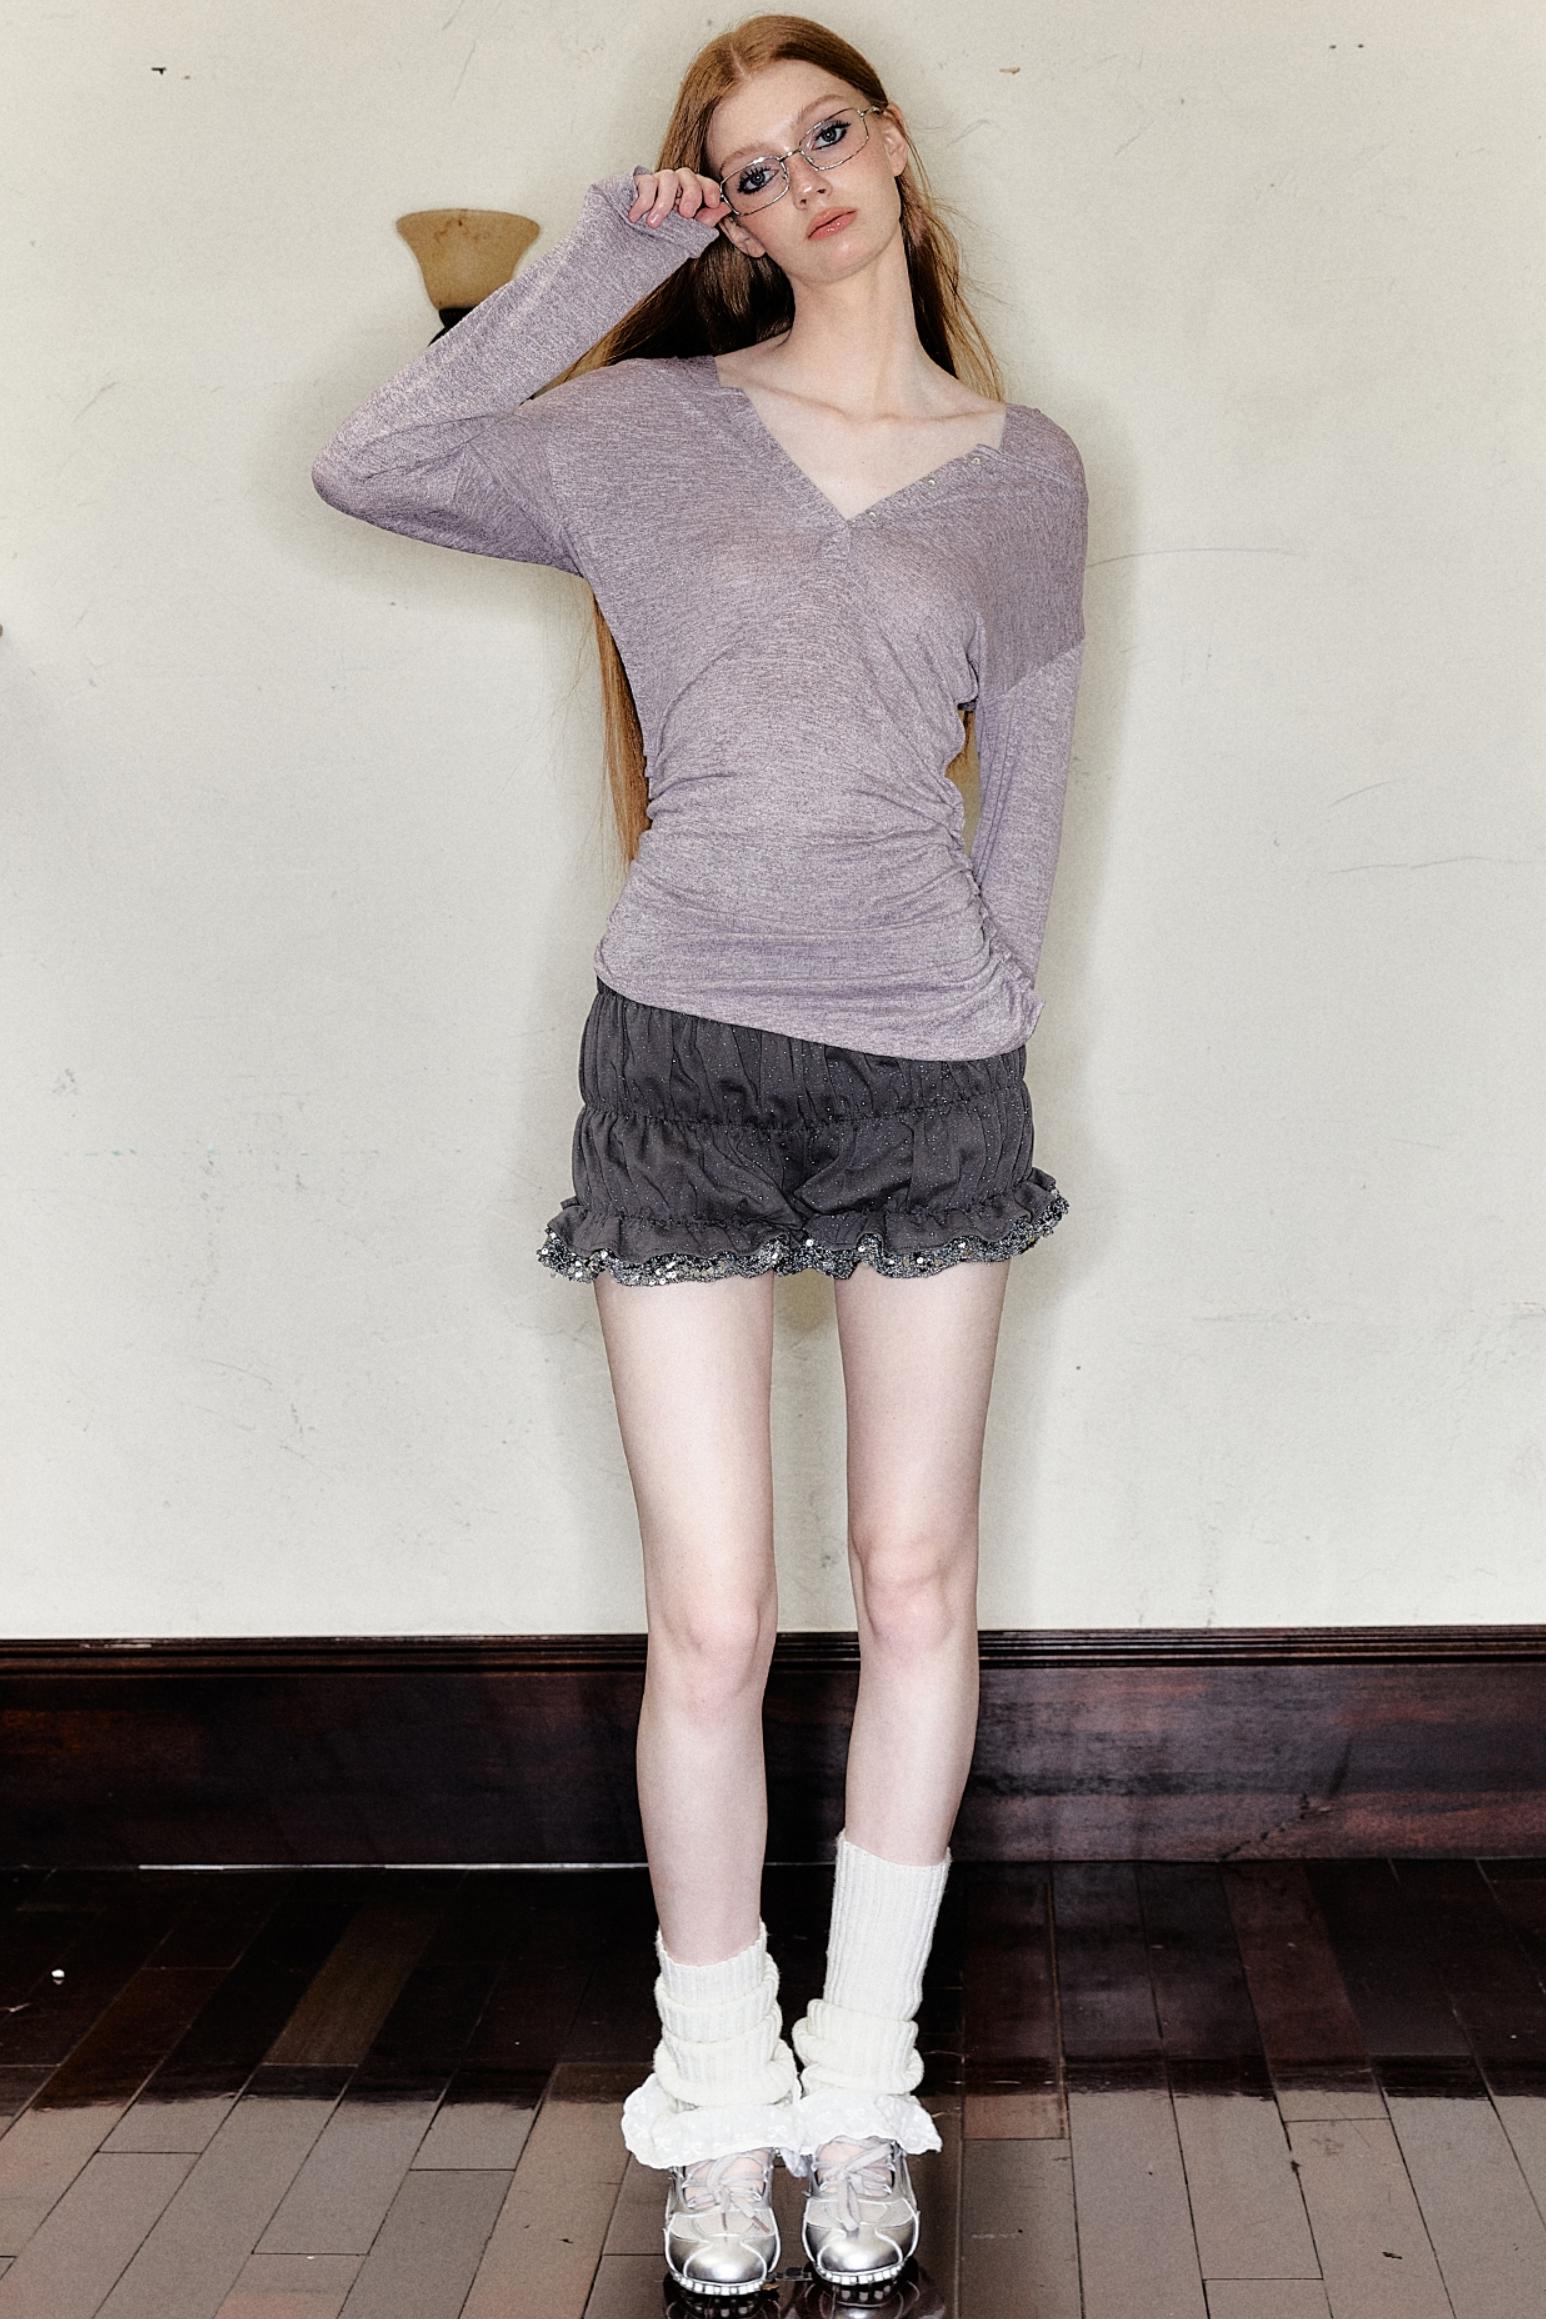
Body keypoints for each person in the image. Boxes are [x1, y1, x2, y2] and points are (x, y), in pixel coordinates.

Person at [310, 11, 1087, 2296]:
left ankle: (859, 2091)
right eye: (748, 167)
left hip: (926, 1068)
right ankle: (721, 2103)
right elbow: (377, 459)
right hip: (681, 1052)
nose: (802, 179)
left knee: (915, 1574)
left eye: (824, 132)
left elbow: (1030, 785)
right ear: (723, 218)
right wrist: (595, 257)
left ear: (894, 149)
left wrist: (984, 1003)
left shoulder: (1023, 469)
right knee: (716, 1612)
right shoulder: (642, 430)